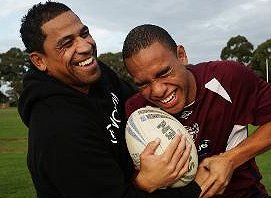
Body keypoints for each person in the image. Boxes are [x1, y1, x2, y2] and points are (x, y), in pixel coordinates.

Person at [18, 2, 207, 198]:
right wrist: (193, 187)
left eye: (84, 34)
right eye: (67, 43)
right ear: (40, 61)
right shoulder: (58, 130)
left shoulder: (97, 76)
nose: (85, 46)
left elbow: (140, 103)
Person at [122, 24, 271, 198]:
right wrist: (144, 180)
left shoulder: (228, 77)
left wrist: (230, 159)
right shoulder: (136, 112)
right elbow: (130, 182)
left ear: (181, 56)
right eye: (143, 84)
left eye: (164, 73)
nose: (158, 90)